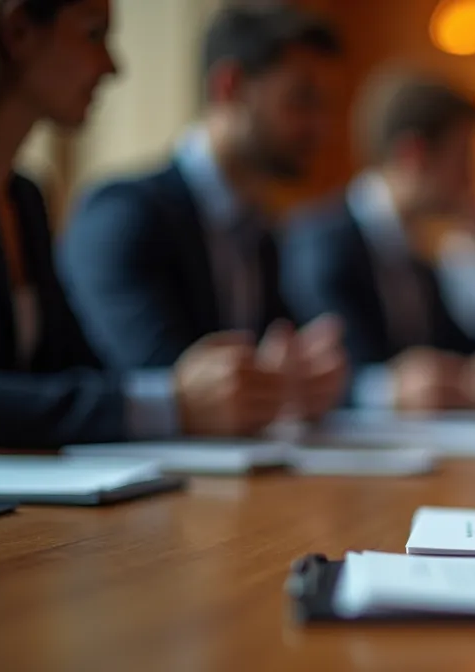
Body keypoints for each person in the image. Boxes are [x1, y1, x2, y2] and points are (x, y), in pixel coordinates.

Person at [0, 0, 285, 449]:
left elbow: (67, 371)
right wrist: (169, 403)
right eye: (93, 34)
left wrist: (215, 385)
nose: (113, 66)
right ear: (18, 32)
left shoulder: (24, 198)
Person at [58, 3, 348, 422]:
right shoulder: (124, 216)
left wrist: (309, 374)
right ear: (229, 86)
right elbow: (167, 383)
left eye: (327, 106)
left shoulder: (263, 232)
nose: (321, 127)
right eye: (302, 99)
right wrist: (277, 381)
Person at [282, 70, 475, 412]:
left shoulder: (417, 259)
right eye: (463, 160)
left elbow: (468, 355)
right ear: (413, 154)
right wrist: (387, 391)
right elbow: (324, 371)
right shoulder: (321, 242)